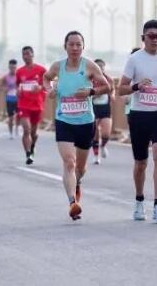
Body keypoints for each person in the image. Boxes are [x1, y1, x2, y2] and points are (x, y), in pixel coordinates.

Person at [44, 31, 109, 220]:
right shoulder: (58, 66)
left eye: (78, 44)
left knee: (80, 168)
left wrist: (90, 91)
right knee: (69, 162)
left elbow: (107, 86)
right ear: (65, 46)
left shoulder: (89, 66)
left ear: (83, 46)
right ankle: (72, 202)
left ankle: (77, 184)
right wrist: (49, 90)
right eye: (71, 44)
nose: (74, 48)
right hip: (64, 120)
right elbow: (46, 78)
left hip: (85, 122)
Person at [118, 19, 157, 223]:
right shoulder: (135, 59)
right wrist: (137, 87)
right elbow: (120, 89)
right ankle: (139, 201)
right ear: (143, 38)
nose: (155, 40)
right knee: (141, 163)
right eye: (151, 36)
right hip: (139, 115)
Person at [16, 46, 47, 165]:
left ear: (33, 54)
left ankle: (32, 147)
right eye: (24, 54)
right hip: (24, 105)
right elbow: (18, 86)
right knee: (26, 130)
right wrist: (18, 92)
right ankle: (28, 154)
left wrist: (40, 87)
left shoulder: (41, 70)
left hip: (37, 105)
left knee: (34, 133)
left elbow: (49, 84)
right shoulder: (20, 72)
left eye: (28, 54)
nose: (26, 56)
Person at [91, 58, 114, 165]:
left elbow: (112, 90)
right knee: (95, 133)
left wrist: (112, 96)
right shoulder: (90, 79)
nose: (100, 68)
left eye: (102, 66)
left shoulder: (108, 79)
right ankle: (96, 156)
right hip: (93, 108)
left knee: (106, 134)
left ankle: (103, 145)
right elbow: (86, 92)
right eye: (98, 66)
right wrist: (96, 94)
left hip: (105, 108)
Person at [2, 59, 19, 139]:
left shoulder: (19, 75)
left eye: (14, 67)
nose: (12, 69)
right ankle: (10, 133)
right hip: (9, 98)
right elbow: (1, 87)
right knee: (11, 117)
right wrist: (5, 88)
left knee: (19, 116)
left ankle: (17, 129)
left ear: (16, 67)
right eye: (11, 67)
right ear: (9, 67)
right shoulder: (5, 77)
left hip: (18, 98)